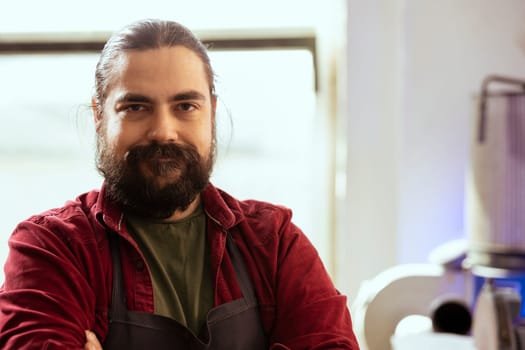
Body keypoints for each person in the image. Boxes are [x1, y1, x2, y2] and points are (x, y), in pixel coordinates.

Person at [0, 19, 360, 349]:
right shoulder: (52, 249)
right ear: (98, 116)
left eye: (185, 106)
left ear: (212, 114)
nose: (163, 131)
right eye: (136, 107)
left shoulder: (275, 244)